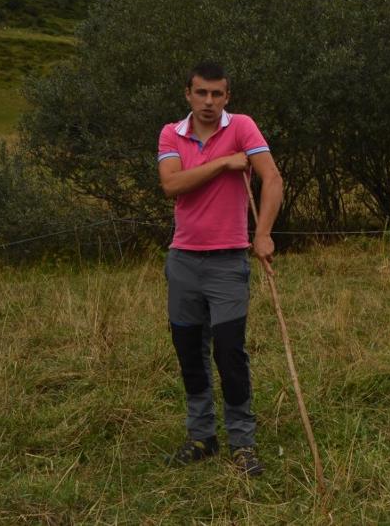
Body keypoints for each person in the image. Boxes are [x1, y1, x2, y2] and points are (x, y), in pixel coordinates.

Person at [156, 61, 282, 475]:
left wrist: (262, 233)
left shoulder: (243, 126)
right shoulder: (171, 134)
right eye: (201, 93)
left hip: (229, 261)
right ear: (187, 94)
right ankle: (202, 437)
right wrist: (223, 164)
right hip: (183, 261)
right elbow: (172, 185)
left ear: (227, 97)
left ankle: (242, 442)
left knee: (229, 352)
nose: (208, 102)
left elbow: (272, 179)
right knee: (190, 352)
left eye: (216, 94)